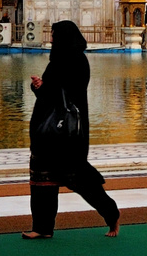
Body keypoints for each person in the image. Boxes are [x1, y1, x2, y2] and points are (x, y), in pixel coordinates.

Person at [24, 20, 120, 239]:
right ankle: (42, 227)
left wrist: (46, 88)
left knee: (78, 178)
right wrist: (39, 86)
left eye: (54, 36)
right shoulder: (56, 60)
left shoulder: (77, 61)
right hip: (46, 129)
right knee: (42, 178)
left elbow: (71, 94)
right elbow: (50, 91)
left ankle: (111, 213)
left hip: (66, 132)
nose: (51, 39)